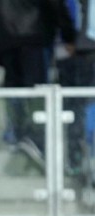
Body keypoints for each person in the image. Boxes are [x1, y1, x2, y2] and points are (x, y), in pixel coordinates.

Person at [0, 0, 76, 169]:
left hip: (4, 36)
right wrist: (69, 34)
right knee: (36, 88)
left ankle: (18, 134)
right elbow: (55, 4)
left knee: (14, 87)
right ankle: (33, 137)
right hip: (34, 33)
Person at [56, 0, 95, 178]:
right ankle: (76, 158)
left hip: (82, 48)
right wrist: (70, 38)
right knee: (78, 107)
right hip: (82, 52)